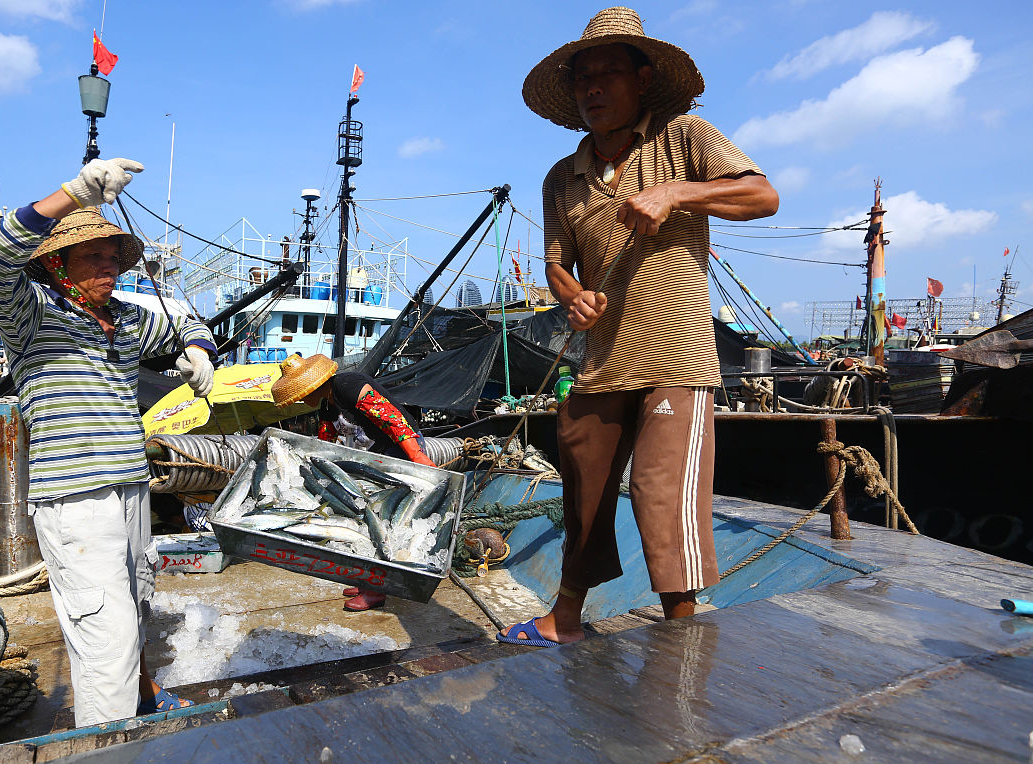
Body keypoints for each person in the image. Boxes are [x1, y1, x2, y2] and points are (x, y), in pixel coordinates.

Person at [499, 8, 778, 646]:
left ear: (642, 78)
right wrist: (571, 297)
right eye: (583, 79)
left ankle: (682, 634)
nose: (593, 87)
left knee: (661, 496)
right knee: (584, 493)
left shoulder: (685, 138)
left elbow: (763, 196)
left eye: (608, 73)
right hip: (601, 363)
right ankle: (564, 619)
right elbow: (554, 266)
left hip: (677, 358)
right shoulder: (560, 178)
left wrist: (677, 195)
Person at [0, 157, 217, 725]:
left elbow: (186, 324)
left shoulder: (127, 320)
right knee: (104, 629)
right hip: (76, 500)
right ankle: (106, 753)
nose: (109, 265)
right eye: (93, 255)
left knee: (135, 606)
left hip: (130, 489)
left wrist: (198, 348)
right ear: (58, 263)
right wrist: (72, 194)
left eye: (113, 257)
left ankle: (141, 698)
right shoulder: (31, 314)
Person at [272, 353, 436, 611]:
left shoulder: (347, 386)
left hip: (400, 449)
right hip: (376, 456)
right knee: (365, 515)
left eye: (301, 392)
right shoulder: (328, 403)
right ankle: (368, 580)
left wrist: (416, 455)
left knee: (382, 519)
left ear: (313, 384)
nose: (301, 399)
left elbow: (390, 417)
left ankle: (377, 589)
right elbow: (325, 442)